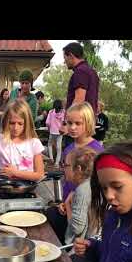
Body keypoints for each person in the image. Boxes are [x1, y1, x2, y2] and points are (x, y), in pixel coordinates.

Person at [46, 102, 103, 244]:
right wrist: (63, 203)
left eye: (78, 123)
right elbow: (67, 181)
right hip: (67, 206)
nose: (72, 127)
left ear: (88, 123)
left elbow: (98, 186)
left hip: (85, 214)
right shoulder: (68, 149)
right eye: (69, 123)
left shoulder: (97, 151)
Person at [63, 147, 97, 245]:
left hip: (82, 246)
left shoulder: (82, 190)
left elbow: (77, 228)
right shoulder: (92, 183)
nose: (64, 169)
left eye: (66, 165)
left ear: (78, 169)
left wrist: (68, 204)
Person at [63, 42, 99, 112]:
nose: (64, 62)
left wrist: (68, 121)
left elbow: (79, 100)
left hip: (79, 120)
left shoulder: (80, 71)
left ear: (71, 55)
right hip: (88, 118)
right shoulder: (92, 71)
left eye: (65, 58)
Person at [45, 99, 65, 167]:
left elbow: (47, 122)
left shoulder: (51, 112)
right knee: (59, 148)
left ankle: (51, 158)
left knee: (50, 145)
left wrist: (48, 129)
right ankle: (57, 163)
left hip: (52, 132)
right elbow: (63, 123)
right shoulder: (63, 112)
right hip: (59, 132)